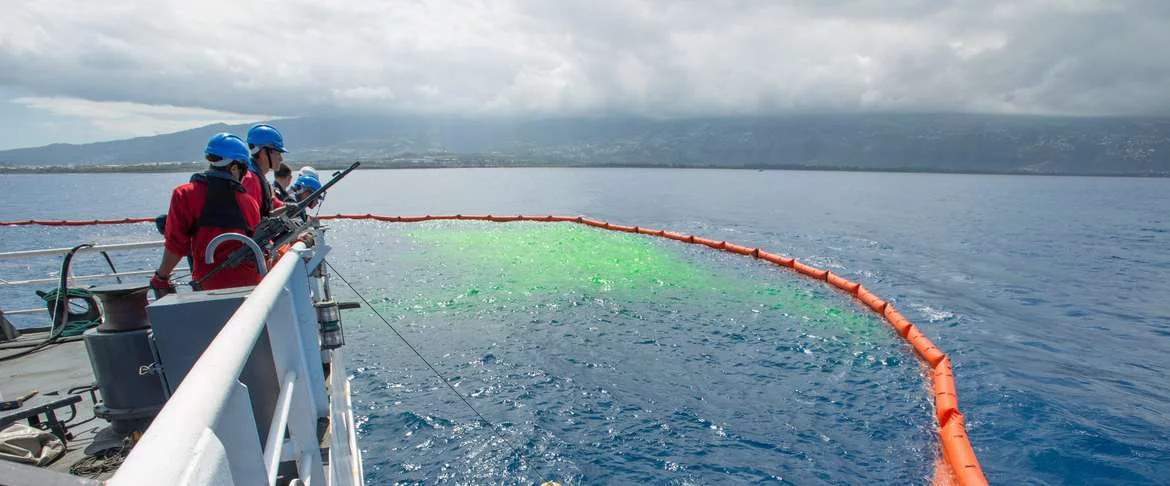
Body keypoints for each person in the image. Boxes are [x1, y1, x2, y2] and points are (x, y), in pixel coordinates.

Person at [150, 133, 262, 294]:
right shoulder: (249, 203)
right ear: (235, 168)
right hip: (249, 289)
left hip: (208, 288)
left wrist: (161, 277)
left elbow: (176, 245)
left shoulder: (185, 195)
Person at [242, 124, 287, 218]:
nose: (281, 159)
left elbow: (269, 205)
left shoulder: (257, 176)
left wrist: (287, 207)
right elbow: (253, 222)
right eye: (278, 153)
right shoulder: (251, 180)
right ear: (263, 152)